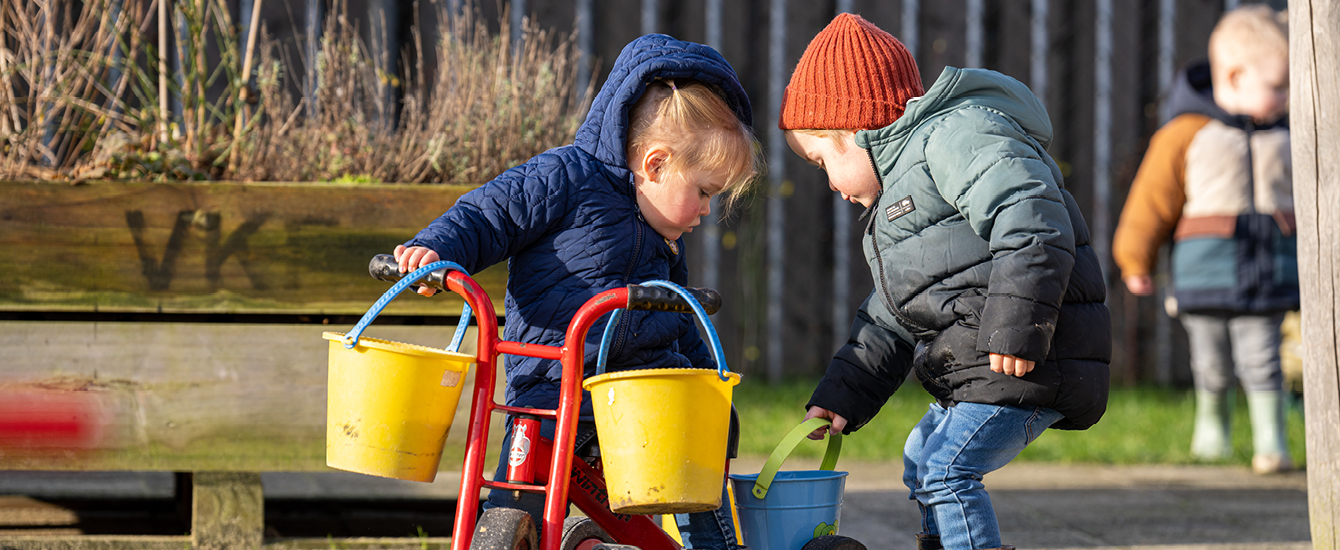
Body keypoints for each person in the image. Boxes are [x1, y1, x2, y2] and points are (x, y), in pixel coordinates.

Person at [394, 34, 761, 549]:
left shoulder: (664, 244)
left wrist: (710, 388)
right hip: (549, 390)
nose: (705, 210)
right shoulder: (564, 177)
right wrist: (436, 248)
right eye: (703, 192)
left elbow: (682, 323)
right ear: (655, 164)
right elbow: (490, 213)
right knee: (511, 501)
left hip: (638, 402)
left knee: (696, 475)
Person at [781, 14, 1111, 550]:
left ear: (854, 133)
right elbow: (892, 315)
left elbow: (1033, 219)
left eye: (822, 162)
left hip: (1030, 356)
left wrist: (1017, 326)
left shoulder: (955, 136)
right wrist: (845, 393)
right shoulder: (904, 206)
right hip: (983, 370)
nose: (831, 185)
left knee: (946, 470)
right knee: (922, 458)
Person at [1113, 5, 1295, 475]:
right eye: (1279, 86)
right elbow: (1151, 201)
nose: (1289, 97)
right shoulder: (1186, 134)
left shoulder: (1290, 136)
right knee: (1210, 362)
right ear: (1234, 76)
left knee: (1263, 360)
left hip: (1269, 273)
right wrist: (1135, 260)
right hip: (1204, 274)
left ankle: (1271, 442)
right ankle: (1211, 433)